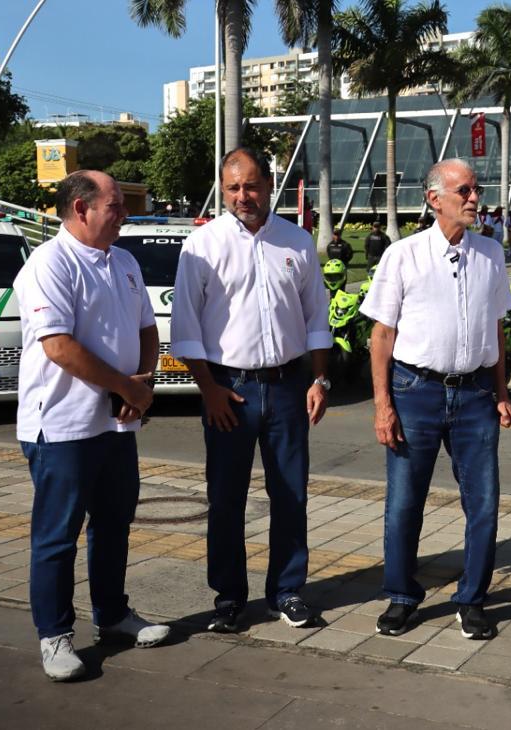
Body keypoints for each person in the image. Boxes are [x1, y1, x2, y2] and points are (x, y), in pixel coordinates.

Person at [16, 170, 170, 682]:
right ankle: (54, 635)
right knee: (58, 535)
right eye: (115, 205)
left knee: (113, 525)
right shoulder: (48, 264)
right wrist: (127, 389)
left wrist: (141, 382)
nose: (124, 212)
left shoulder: (122, 261)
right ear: (80, 209)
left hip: (116, 426)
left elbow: (147, 328)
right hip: (62, 426)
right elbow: (58, 346)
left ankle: (112, 615)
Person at [171, 147, 332, 634]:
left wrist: (320, 379)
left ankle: (287, 591)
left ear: (269, 183)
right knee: (225, 498)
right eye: (233, 188)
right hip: (228, 390)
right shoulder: (202, 246)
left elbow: (316, 318)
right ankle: (229, 598)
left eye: (252, 186)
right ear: (224, 189)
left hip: (286, 387)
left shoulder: (297, 242)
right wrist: (209, 391)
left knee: (291, 495)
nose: (243, 196)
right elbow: (185, 327)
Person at [361, 158, 511, 641]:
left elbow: (496, 327)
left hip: (475, 395)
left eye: (477, 190)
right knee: (405, 502)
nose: (475, 198)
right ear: (434, 199)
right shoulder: (403, 255)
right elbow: (382, 335)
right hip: (415, 391)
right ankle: (402, 596)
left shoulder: (490, 252)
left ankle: (471, 598)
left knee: (484, 503)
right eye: (464, 190)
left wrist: (502, 391)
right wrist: (383, 404)